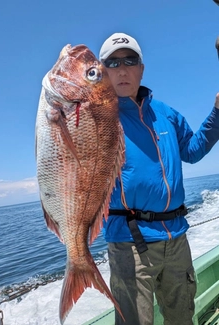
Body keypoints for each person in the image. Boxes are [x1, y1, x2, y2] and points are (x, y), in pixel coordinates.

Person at [99, 32, 219, 325]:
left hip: (176, 236)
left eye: (130, 60)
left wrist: (217, 112)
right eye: (113, 64)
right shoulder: (99, 118)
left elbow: (192, 150)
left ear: (142, 68)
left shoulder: (166, 114)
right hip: (130, 241)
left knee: (181, 318)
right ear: (102, 73)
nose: (123, 69)